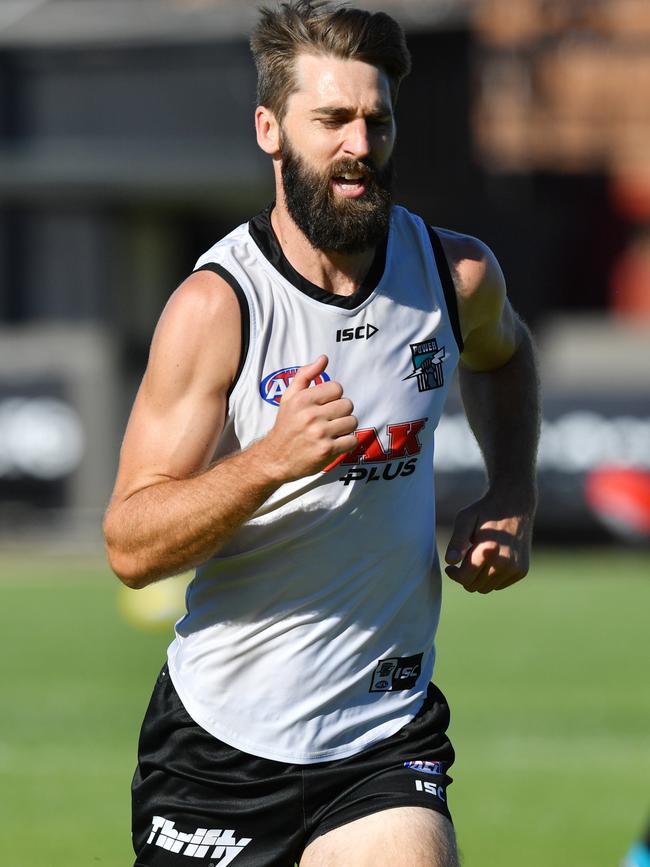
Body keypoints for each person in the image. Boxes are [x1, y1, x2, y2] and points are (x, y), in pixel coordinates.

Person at [103, 2, 540, 865]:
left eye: (376, 120)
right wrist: (270, 460)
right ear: (270, 130)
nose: (359, 143)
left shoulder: (454, 275)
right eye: (332, 119)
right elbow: (130, 543)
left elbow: (506, 353)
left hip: (383, 737)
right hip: (219, 748)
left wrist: (513, 493)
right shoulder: (217, 308)